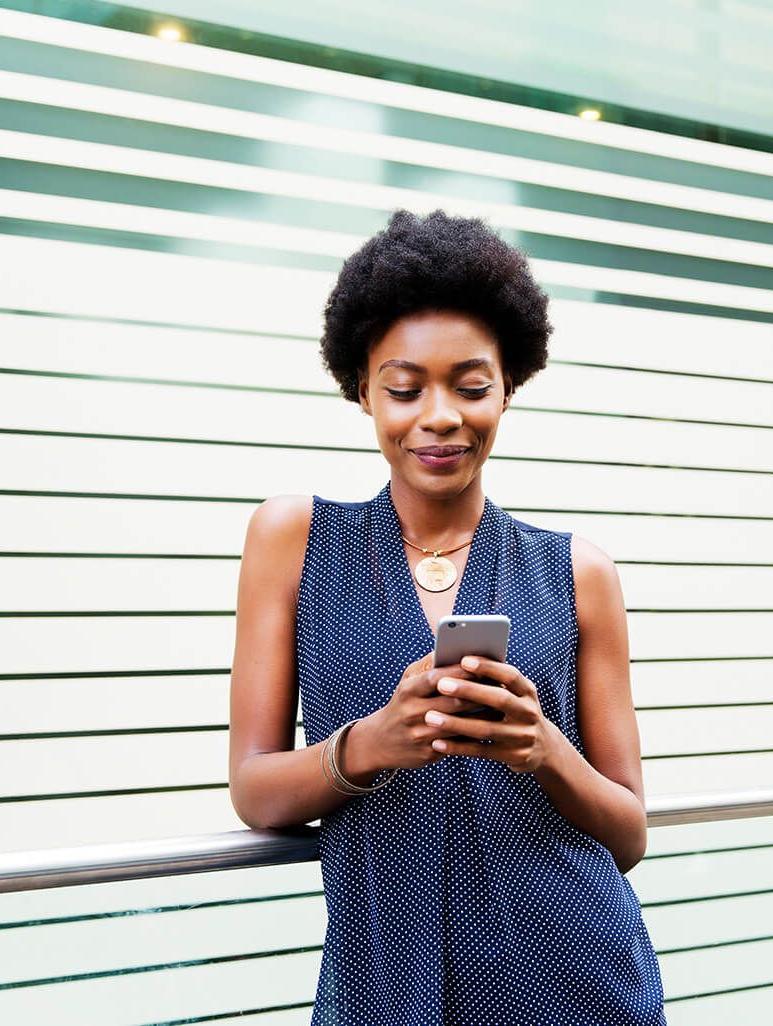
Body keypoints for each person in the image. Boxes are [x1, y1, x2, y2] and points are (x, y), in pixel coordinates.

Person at [229, 208, 667, 1025]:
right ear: (361, 389)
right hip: (383, 992)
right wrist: (369, 745)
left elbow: (629, 835)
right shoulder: (291, 539)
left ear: (508, 389)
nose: (438, 416)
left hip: (573, 985)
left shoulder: (578, 573)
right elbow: (254, 790)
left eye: (471, 386)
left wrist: (544, 752)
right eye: (403, 387)